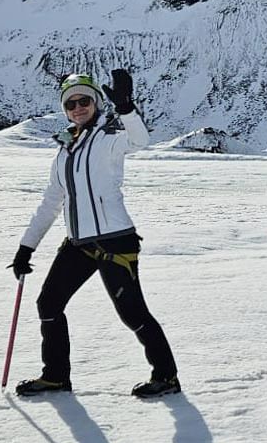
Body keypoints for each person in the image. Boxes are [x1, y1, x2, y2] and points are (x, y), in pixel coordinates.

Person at [10, 71, 180, 399]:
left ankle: (167, 377)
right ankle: (56, 376)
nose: (77, 108)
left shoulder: (110, 137)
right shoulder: (64, 150)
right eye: (70, 103)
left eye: (84, 100)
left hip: (116, 240)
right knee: (48, 304)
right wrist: (25, 248)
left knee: (133, 313)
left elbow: (141, 141)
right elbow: (51, 201)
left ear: (96, 102)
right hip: (79, 244)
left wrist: (126, 107)